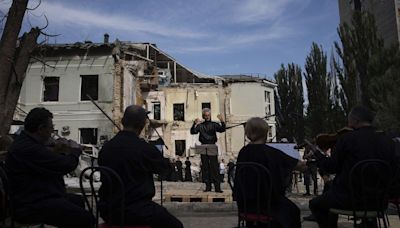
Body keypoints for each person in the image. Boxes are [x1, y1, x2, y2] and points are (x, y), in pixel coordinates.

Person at [309, 105, 396, 228]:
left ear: (355, 121)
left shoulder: (347, 139)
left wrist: (318, 153)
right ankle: (369, 223)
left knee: (315, 204)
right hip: (379, 202)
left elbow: (331, 167)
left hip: (349, 200)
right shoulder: (388, 141)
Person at [5, 107, 94, 228]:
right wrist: (75, 150)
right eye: (51, 128)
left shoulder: (27, 143)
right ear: (41, 129)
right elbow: (65, 165)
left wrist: (59, 151)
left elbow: (48, 163)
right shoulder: (29, 148)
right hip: (31, 204)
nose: (52, 132)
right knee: (86, 219)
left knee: (78, 201)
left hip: (37, 197)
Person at [98, 105, 183, 228]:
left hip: (108, 210)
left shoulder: (106, 148)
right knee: (175, 226)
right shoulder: (144, 149)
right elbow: (164, 169)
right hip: (136, 210)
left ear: (122, 122)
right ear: (142, 125)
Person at [236, 117, 306, 228]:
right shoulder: (273, 153)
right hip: (269, 205)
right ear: (265, 132)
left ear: (248, 133)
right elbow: (301, 166)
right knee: (294, 211)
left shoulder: (242, 152)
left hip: (246, 205)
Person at [190, 108, 225, 193]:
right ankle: (208, 187)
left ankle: (217, 187)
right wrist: (194, 123)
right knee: (205, 168)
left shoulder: (213, 124)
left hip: (211, 146)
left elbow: (222, 129)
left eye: (208, 115)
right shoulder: (202, 125)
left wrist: (222, 121)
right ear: (203, 116)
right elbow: (193, 131)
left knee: (214, 167)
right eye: (205, 115)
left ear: (210, 115)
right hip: (204, 146)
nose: (207, 117)